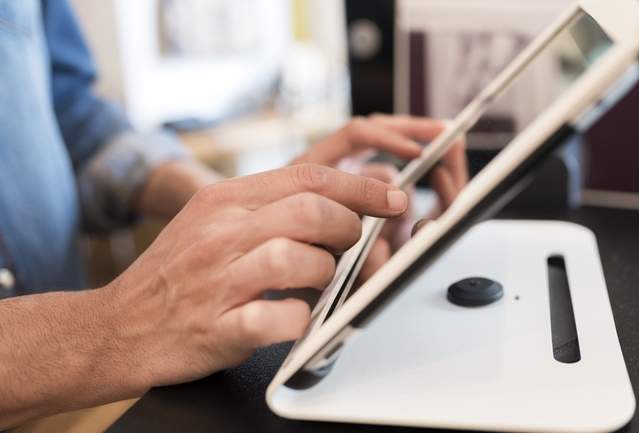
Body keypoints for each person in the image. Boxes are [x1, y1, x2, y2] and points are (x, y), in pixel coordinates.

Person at [0, 0, 466, 428]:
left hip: (79, 408)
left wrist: (247, 210)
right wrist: (107, 328)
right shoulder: (108, 338)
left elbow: (74, 118)